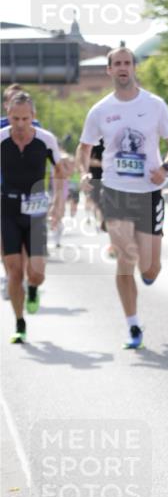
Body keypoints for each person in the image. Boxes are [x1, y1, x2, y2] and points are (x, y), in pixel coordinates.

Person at [77, 48, 168, 349]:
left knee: (149, 268)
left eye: (127, 63)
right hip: (115, 191)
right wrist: (85, 173)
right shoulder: (100, 110)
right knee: (125, 258)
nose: (123, 67)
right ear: (109, 70)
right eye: (117, 64)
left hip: (149, 192)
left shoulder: (155, 105)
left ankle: (148, 272)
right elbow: (84, 147)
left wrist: (165, 168)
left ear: (134, 67)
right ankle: (133, 325)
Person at [1, 92, 64, 342]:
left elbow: (59, 172)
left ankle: (34, 288)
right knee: (14, 271)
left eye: (25, 119)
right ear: (8, 116)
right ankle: (19, 323)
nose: (20, 124)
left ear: (33, 116)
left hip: (36, 211)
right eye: (15, 118)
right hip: (7, 209)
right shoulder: (1, 139)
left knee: (36, 273)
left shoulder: (46, 140)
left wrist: (58, 204)